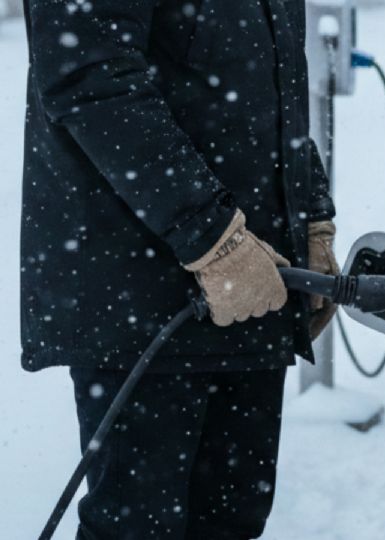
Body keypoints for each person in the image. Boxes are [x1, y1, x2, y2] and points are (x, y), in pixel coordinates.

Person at [20, 1, 339, 537]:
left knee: (233, 519)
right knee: (140, 525)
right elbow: (91, 80)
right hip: (142, 295)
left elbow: (277, 81)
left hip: (255, 284)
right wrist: (213, 240)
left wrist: (311, 218)